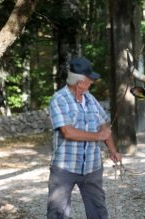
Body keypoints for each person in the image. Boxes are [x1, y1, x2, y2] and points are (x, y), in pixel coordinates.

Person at [47, 57, 122, 219]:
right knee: (57, 213)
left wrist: (113, 150)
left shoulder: (90, 98)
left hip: (92, 167)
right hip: (65, 167)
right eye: (89, 81)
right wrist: (98, 136)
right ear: (78, 82)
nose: (91, 83)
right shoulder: (59, 99)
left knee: (98, 211)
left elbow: (103, 125)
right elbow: (68, 132)